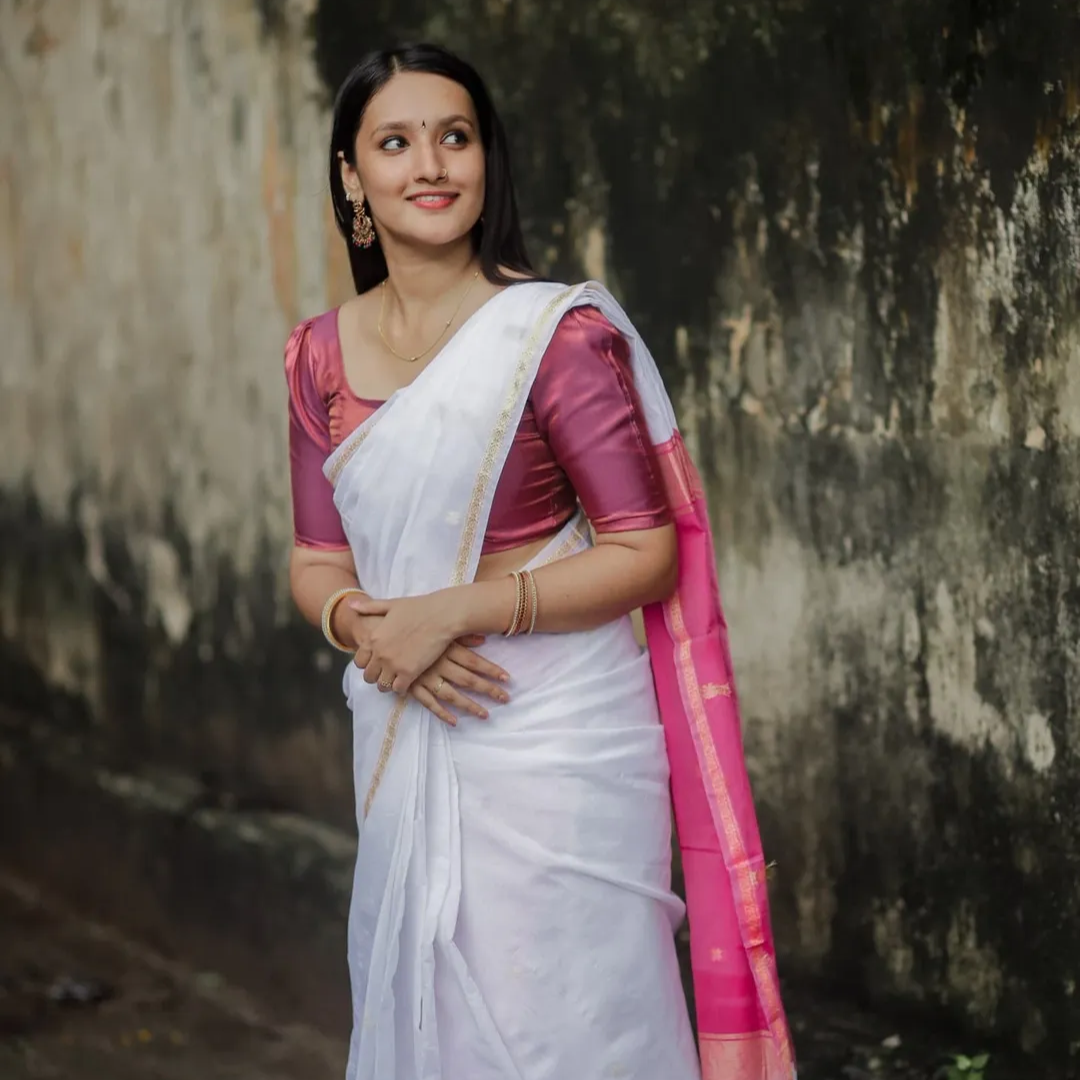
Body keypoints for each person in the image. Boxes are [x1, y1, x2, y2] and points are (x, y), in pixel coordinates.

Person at [285, 42, 796, 1080]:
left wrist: (454, 612)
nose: (431, 164)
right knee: (432, 1012)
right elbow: (315, 559)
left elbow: (645, 552)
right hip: (408, 718)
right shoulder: (317, 357)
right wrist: (375, 630)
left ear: (487, 159)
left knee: (572, 1024)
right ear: (353, 176)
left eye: (455, 137)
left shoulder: (554, 337)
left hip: (559, 745)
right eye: (396, 141)